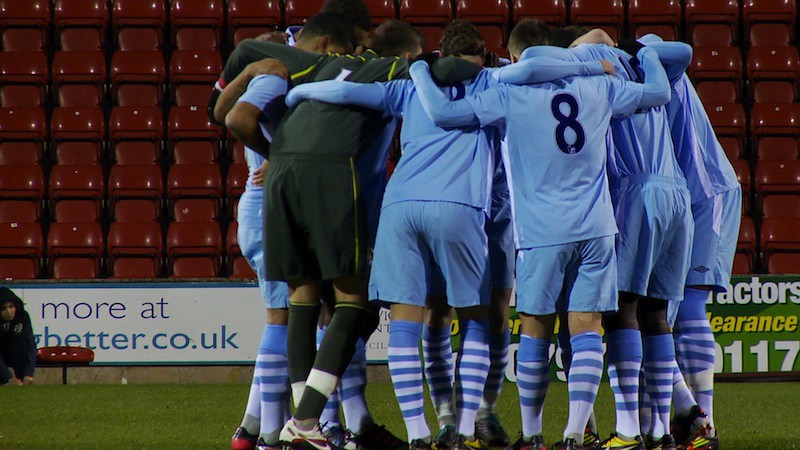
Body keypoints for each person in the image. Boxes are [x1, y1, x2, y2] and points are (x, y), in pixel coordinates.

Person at [285, 19, 613, 450]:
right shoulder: (492, 80)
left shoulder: (409, 85)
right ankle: (464, 425)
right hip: (464, 207)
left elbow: (348, 92)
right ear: (481, 56)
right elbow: (536, 68)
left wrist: (301, 92)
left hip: (402, 206)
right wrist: (591, 66)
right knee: (476, 317)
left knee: (407, 320)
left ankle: (419, 434)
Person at [409, 33, 671, 450]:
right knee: (587, 327)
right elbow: (659, 92)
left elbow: (443, 113)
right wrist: (649, 54)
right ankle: (574, 435)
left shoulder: (510, 92)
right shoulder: (599, 86)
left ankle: (532, 436)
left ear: (521, 59)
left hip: (542, 231)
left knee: (536, 328)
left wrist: (419, 69)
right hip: (597, 227)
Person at [516, 33, 694, 450]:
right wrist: (644, 49)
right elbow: (682, 53)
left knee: (620, 313)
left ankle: (628, 429)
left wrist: (586, 50)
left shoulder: (588, 70)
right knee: (656, 313)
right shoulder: (641, 63)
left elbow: (532, 63)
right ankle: (660, 432)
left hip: (634, 193)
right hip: (676, 194)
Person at [640, 33, 741, 450]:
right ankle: (675, 420)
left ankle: (705, 424)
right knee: (657, 311)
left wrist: (626, 50)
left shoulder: (654, 61)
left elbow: (679, 49)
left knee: (688, 307)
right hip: (679, 196)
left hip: (708, 193)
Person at [1, 288, 36, 386]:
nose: (8, 312)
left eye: (11, 307)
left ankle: (22, 378)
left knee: (21, 343)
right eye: (4, 308)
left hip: (14, 352)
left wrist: (29, 373)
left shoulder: (23, 316)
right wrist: (9, 378)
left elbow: (31, 344)